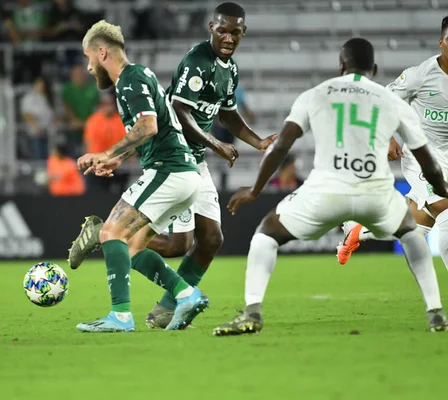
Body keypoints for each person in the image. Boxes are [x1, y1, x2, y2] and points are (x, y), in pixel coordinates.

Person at [213, 38, 448, 336]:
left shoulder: (316, 94)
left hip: (324, 191)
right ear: (374, 69)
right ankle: (435, 313)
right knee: (411, 234)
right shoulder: (389, 100)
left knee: (266, 234)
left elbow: (282, 144)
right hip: (374, 192)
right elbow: (427, 159)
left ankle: (252, 313)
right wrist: (444, 190)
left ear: (340, 66)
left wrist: (255, 190)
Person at [137, 2, 276, 329]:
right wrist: (215, 143)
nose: (228, 37)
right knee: (177, 245)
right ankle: (116, 234)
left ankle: (166, 309)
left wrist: (258, 142)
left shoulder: (230, 68)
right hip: (173, 156)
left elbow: (226, 113)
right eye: (222, 30)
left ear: (243, 32)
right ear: (211, 28)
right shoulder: (197, 61)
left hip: (194, 159)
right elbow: (179, 111)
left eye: (235, 31)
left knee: (211, 239)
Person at [66, 20, 209, 333]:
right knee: (131, 247)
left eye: (89, 59)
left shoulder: (130, 78)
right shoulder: (135, 79)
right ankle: (187, 294)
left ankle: (120, 316)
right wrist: (117, 158)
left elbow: (148, 126)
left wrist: (105, 152)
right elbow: (153, 130)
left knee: (110, 233)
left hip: (169, 172)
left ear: (102, 53)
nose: (89, 68)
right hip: (183, 175)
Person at [337, 16, 448, 267]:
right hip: (423, 157)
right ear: (441, 42)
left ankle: (358, 230)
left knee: (415, 228)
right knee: (444, 208)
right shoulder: (419, 76)